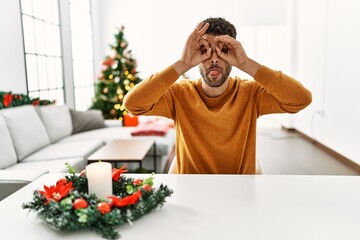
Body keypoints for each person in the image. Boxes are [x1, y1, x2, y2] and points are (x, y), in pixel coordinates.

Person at [124, 17, 312, 174]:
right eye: (204, 51)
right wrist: (183, 63)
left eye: (223, 51)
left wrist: (246, 63)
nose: (214, 59)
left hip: (240, 191)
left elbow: (301, 99)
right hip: (191, 190)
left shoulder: (251, 93)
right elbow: (133, 104)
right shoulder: (179, 94)